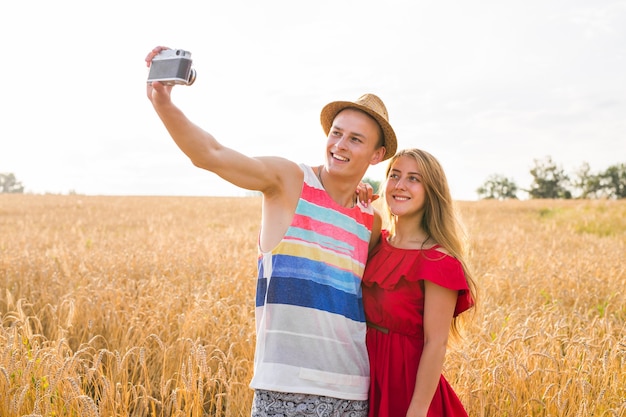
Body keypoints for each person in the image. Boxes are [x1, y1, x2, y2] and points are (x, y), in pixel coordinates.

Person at [145, 45, 398, 416]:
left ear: (376, 156)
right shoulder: (288, 181)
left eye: (355, 140)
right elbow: (211, 154)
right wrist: (162, 102)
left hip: (352, 390)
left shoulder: (370, 219)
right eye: (336, 133)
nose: (339, 145)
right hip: (283, 387)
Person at [361, 148, 477, 417]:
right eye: (395, 175)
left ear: (431, 192)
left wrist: (417, 411)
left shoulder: (439, 261)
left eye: (414, 179)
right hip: (365, 376)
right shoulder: (378, 241)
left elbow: (435, 343)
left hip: (407, 386)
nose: (400, 185)